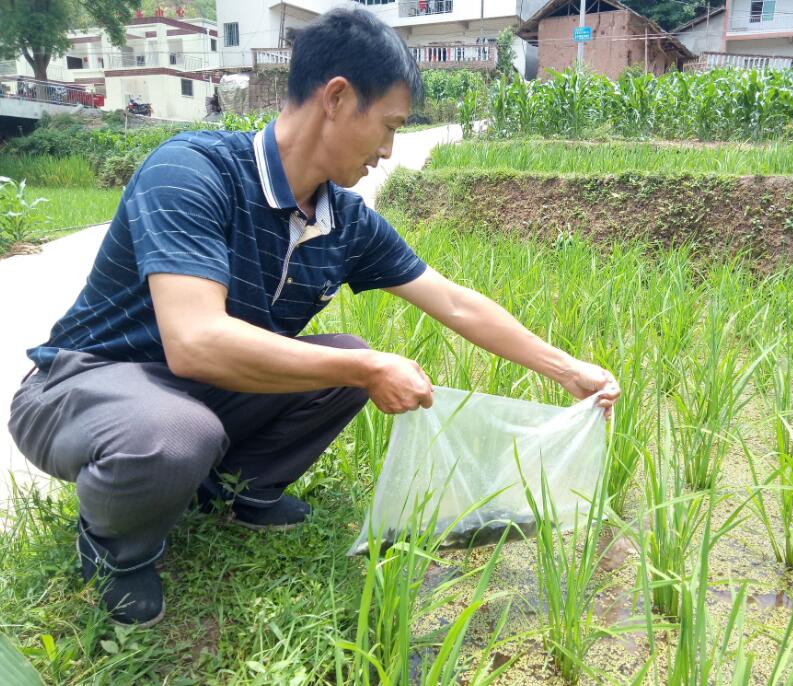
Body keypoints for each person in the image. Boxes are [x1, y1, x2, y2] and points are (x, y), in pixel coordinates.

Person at [8, 8, 619, 629]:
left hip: (196, 392)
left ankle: (238, 488)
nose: (388, 151)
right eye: (388, 127)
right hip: (84, 385)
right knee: (188, 428)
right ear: (337, 98)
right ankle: (115, 548)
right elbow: (195, 343)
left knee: (342, 356)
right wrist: (367, 368)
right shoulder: (192, 172)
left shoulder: (344, 220)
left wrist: (568, 370)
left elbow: (454, 302)